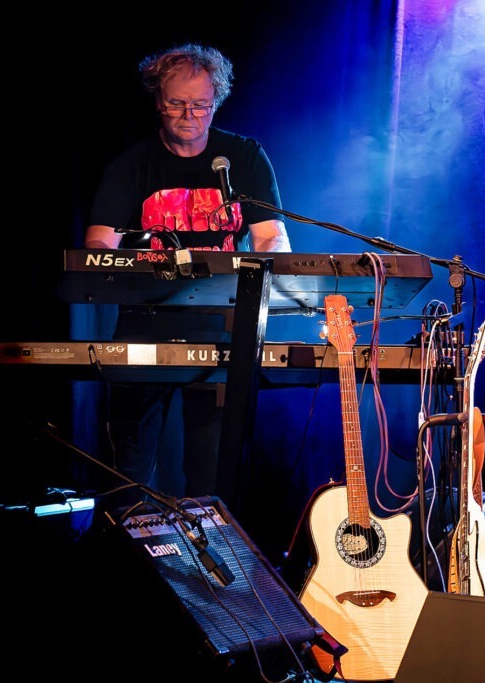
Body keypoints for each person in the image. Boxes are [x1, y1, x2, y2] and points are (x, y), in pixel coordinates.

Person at [84, 43, 291, 506]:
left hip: (223, 329)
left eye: (200, 104)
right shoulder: (133, 165)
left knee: (212, 471)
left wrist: (270, 259)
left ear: (216, 100)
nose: (189, 115)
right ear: (158, 100)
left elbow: (272, 238)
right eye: (177, 103)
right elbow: (99, 244)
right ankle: (134, 563)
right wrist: (107, 260)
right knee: (130, 473)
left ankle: (210, 573)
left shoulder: (242, 158)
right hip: (144, 327)